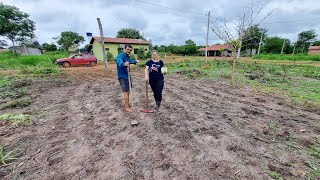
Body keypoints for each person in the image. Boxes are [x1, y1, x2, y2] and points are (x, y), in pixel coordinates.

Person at [116, 44, 139, 112]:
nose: (129, 51)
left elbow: (130, 61)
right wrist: (123, 64)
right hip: (123, 76)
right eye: (128, 49)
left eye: (130, 50)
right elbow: (119, 62)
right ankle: (126, 107)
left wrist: (135, 61)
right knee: (126, 92)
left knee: (128, 91)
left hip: (128, 75)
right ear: (124, 49)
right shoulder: (120, 56)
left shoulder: (127, 56)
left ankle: (128, 104)